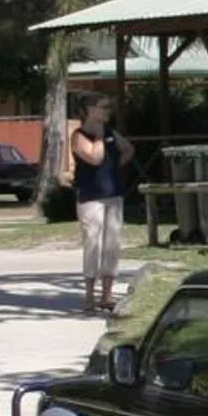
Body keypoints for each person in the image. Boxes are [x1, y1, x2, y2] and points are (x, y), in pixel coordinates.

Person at [62, 97, 134, 316]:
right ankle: (89, 296)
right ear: (89, 110)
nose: (108, 111)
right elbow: (95, 157)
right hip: (91, 197)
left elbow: (128, 149)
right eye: (103, 107)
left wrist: (115, 168)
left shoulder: (112, 132)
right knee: (93, 243)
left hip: (113, 195)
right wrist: (100, 136)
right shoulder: (79, 136)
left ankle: (107, 295)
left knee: (112, 244)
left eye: (108, 107)